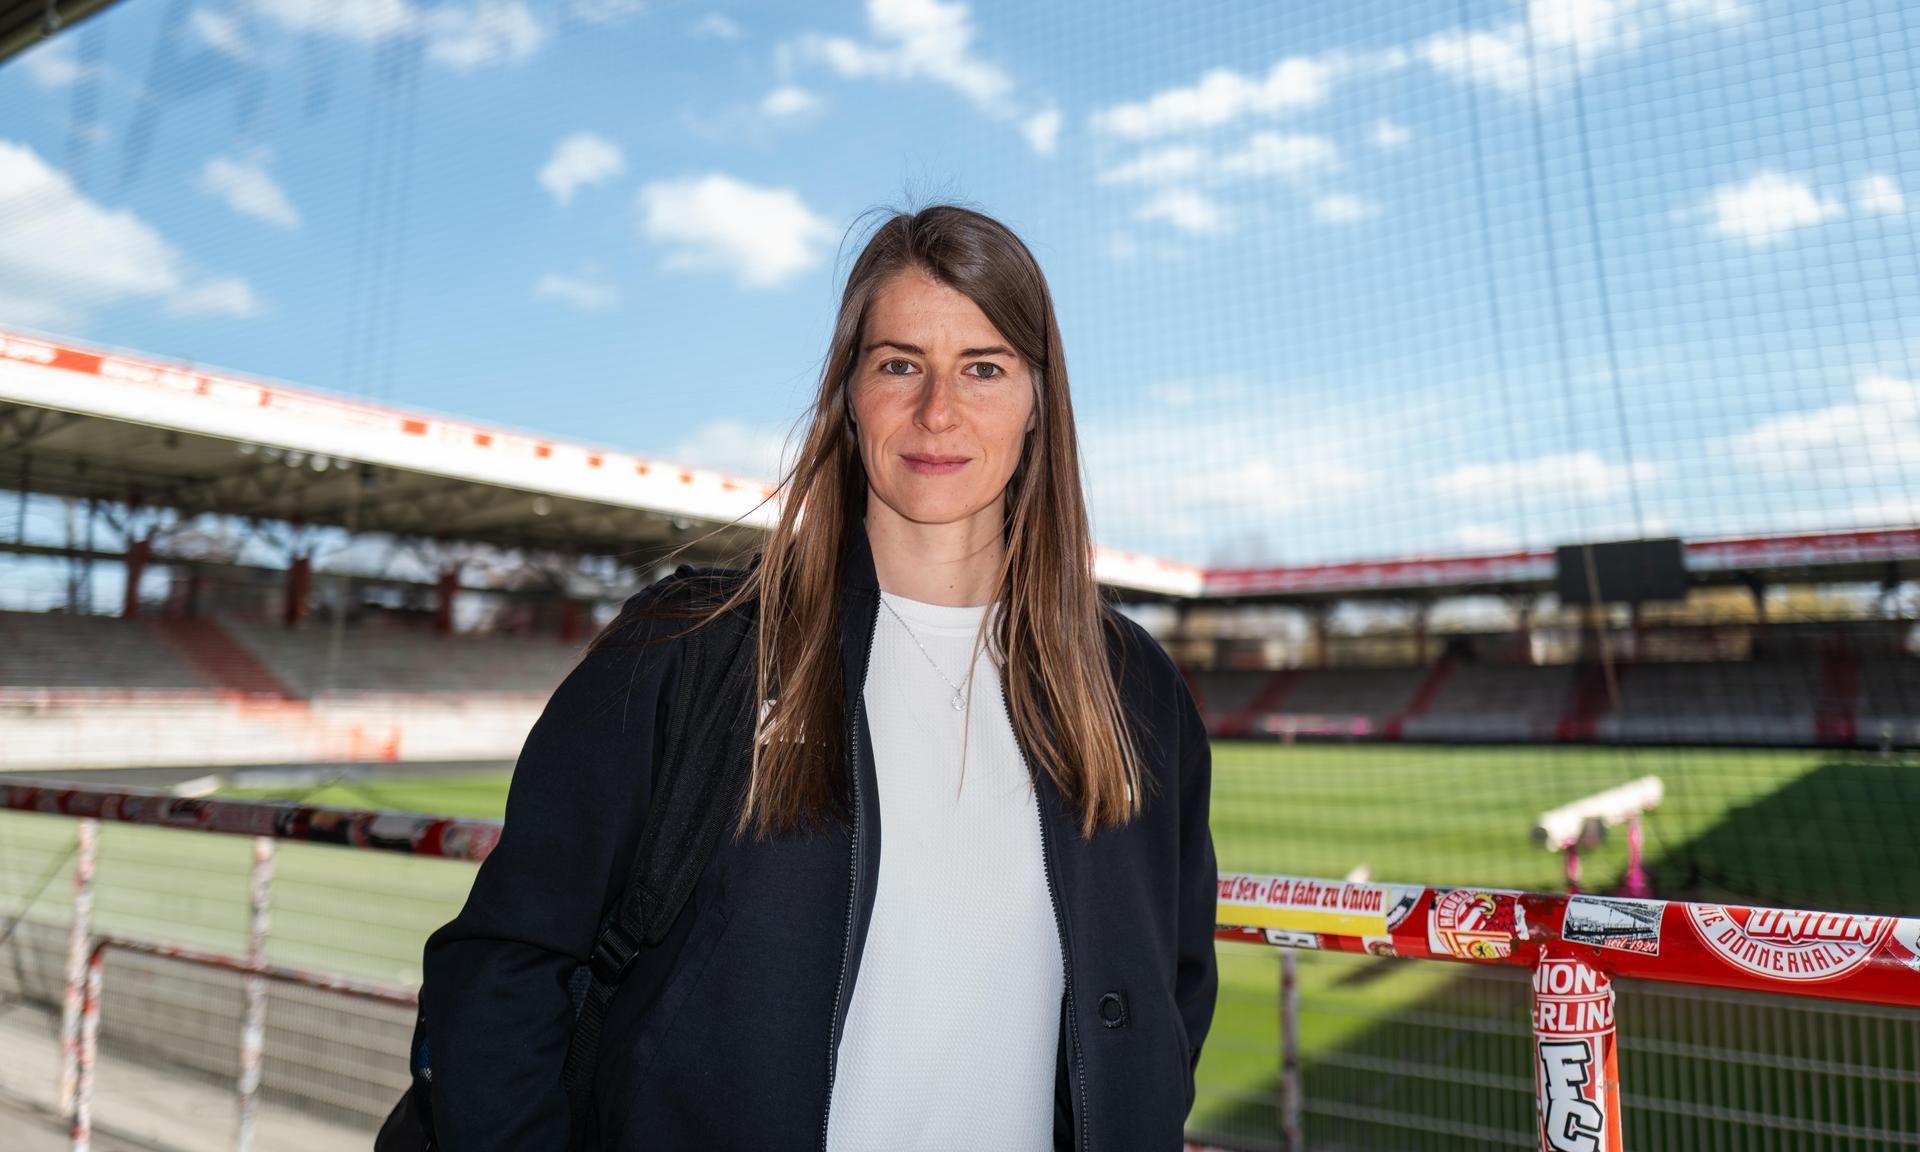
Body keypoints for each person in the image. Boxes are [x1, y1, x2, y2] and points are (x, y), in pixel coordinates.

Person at [417, 204, 1218, 1151]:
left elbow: (1169, 997)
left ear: (1039, 401)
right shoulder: (695, 647)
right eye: (900, 365)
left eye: (985, 368)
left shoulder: (1134, 691)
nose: (938, 411)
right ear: (849, 392)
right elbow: (505, 970)